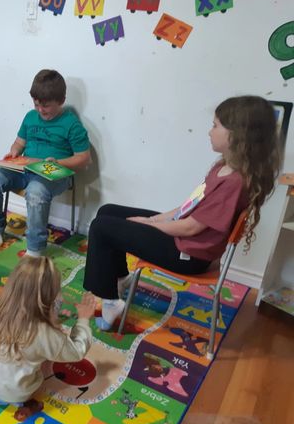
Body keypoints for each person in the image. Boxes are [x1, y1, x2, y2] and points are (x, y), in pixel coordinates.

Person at [83, 96, 281, 330]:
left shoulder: (234, 183)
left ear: (237, 135)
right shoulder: (223, 167)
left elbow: (191, 227)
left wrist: (148, 225)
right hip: (183, 239)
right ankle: (120, 279)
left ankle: (110, 302)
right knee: (108, 212)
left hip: (188, 255)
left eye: (215, 125)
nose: (209, 131)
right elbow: (189, 205)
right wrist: (153, 219)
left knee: (101, 228)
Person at [0, 256, 97, 419]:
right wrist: (83, 319)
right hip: (19, 394)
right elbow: (77, 351)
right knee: (47, 350)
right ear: (49, 298)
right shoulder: (45, 333)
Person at [0, 69, 91, 257]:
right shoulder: (30, 117)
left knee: (35, 192)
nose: (40, 110)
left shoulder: (71, 124)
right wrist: (14, 151)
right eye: (36, 104)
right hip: (24, 169)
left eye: (46, 106)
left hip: (53, 173)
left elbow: (83, 158)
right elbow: (19, 142)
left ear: (61, 101)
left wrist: (58, 162)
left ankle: (35, 248)